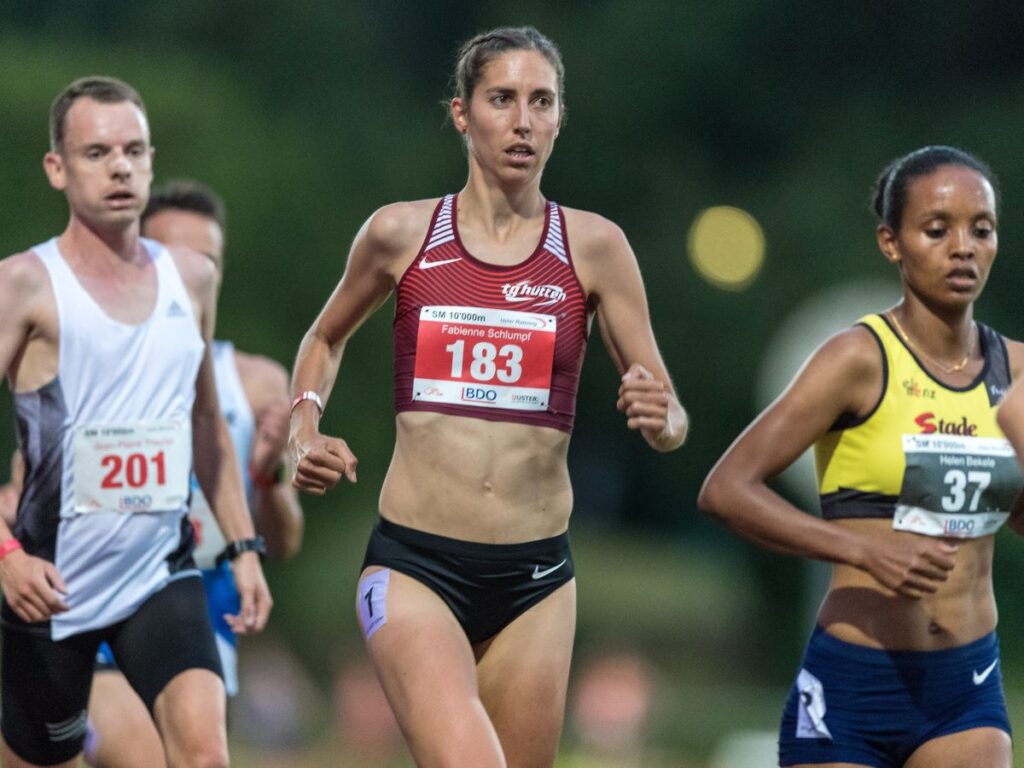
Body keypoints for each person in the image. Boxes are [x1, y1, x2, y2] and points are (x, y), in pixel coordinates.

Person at [288, 25, 687, 767]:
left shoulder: (596, 247)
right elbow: (324, 337)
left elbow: (669, 415)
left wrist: (663, 420)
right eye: (502, 99)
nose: (523, 120)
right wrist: (303, 430)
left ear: (560, 119)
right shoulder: (401, 233)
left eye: (542, 102)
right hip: (415, 566)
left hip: (536, 581)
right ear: (462, 114)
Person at [698, 146, 1023, 768]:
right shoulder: (856, 359)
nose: (963, 247)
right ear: (890, 242)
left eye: (981, 229)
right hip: (854, 685)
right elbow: (726, 489)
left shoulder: (1019, 371)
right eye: (937, 230)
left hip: (967, 686)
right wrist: (864, 550)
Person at [0, 76, 271, 768]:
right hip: (49, 584)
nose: (119, 166)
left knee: (206, 756)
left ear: (151, 161)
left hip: (159, 576)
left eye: (133, 150)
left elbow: (206, 420)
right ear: (57, 169)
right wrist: (6, 557)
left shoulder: (193, 277)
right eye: (96, 153)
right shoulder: (23, 285)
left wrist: (243, 546)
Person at [83, 180, 304, 768]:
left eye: (201, 260)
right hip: (103, 616)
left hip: (205, 626)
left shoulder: (255, 383)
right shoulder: (90, 356)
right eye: (167, 256)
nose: (184, 273)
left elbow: (284, 541)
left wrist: (266, 476)